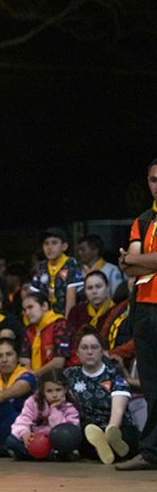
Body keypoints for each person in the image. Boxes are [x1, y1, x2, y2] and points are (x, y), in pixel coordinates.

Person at [116, 159, 157, 470]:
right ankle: (151, 452)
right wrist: (140, 261)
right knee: (151, 384)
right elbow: (127, 265)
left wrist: (136, 261)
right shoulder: (142, 220)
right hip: (144, 309)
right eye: (154, 180)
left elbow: (132, 261)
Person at [63, 327, 136, 464]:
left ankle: (110, 443)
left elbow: (118, 410)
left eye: (94, 347)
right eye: (84, 348)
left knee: (130, 440)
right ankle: (105, 450)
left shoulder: (114, 373)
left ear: (102, 351)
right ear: (77, 352)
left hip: (116, 426)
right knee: (75, 439)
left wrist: (111, 430)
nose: (89, 352)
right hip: (87, 430)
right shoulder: (69, 374)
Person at [5, 371, 80, 461]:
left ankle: (34, 456)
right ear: (43, 391)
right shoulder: (32, 402)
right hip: (36, 441)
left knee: (67, 444)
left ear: (65, 389)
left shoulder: (69, 408)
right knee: (11, 441)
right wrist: (24, 433)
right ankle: (48, 456)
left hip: (54, 444)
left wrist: (54, 409)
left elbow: (66, 433)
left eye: (58, 390)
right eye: (49, 391)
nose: (55, 395)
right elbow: (23, 419)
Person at [32, 227, 83, 316]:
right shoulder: (41, 267)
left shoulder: (71, 264)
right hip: (45, 318)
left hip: (64, 317)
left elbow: (71, 296)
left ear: (64, 246)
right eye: (46, 243)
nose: (49, 247)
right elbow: (35, 296)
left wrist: (66, 322)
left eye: (54, 243)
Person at [20, 291, 71, 378]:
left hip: (61, 377)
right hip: (34, 377)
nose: (27, 313)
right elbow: (24, 360)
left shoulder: (60, 325)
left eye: (30, 307)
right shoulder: (30, 330)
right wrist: (31, 374)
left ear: (44, 306)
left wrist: (35, 374)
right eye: (25, 310)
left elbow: (58, 362)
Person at [66, 271, 115, 335]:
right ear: (85, 291)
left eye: (98, 287)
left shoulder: (116, 311)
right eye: (90, 288)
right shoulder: (76, 312)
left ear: (108, 287)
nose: (94, 291)